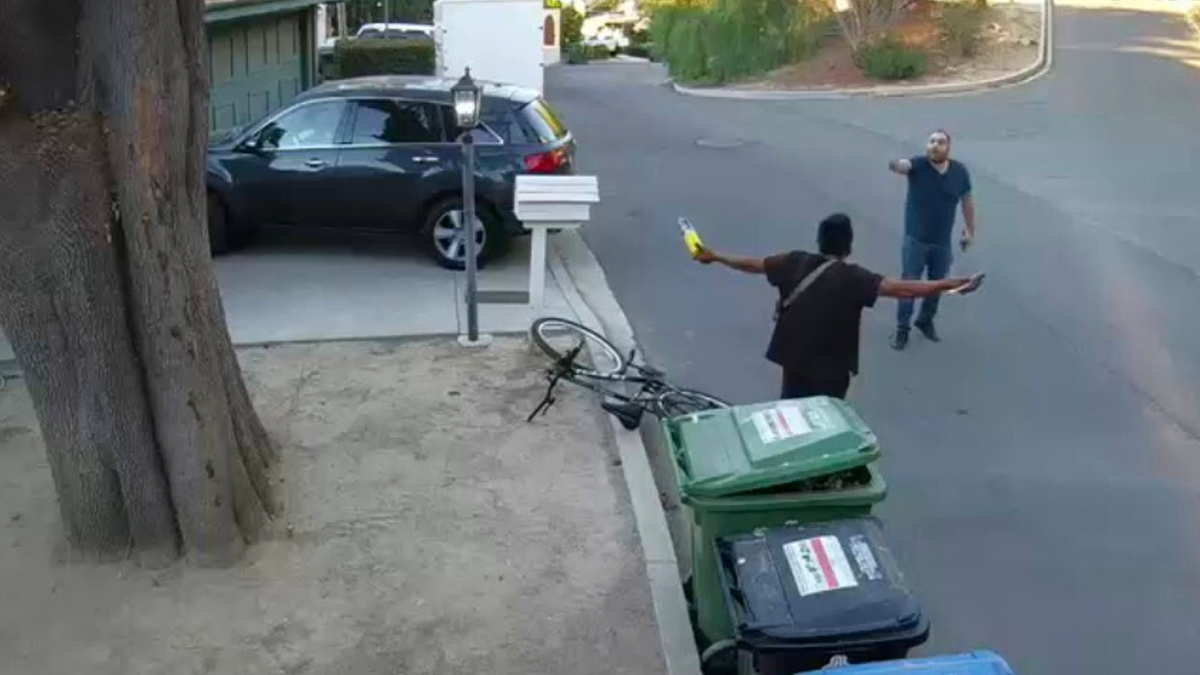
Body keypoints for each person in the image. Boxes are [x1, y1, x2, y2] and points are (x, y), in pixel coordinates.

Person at [693, 213, 979, 400]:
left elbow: (752, 264)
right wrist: (947, 284)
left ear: (819, 241)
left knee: (792, 415)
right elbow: (901, 288)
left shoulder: (793, 261)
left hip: (794, 361)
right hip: (831, 372)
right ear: (849, 246)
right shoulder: (854, 278)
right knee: (825, 425)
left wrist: (715, 256)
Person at [888, 129, 976, 351]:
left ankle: (925, 320)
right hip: (915, 240)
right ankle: (902, 329)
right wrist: (896, 164)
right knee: (909, 285)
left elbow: (966, 201)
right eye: (931, 141)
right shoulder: (918, 166)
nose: (935, 145)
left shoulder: (959, 172)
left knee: (937, 285)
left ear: (948, 148)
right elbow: (903, 166)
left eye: (941, 142)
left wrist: (969, 230)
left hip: (941, 242)